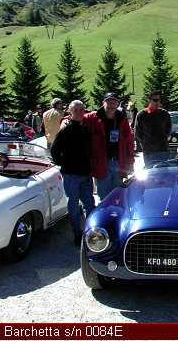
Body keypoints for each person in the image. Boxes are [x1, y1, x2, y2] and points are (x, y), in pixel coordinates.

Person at [50, 100, 95, 246]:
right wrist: (65, 165)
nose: (79, 113)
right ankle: (77, 233)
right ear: (70, 112)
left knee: (89, 203)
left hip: (85, 174)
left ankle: (91, 232)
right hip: (71, 175)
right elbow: (54, 152)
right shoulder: (65, 131)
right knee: (74, 206)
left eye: (81, 110)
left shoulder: (84, 128)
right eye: (75, 110)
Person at [85, 92, 135, 202]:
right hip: (102, 164)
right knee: (104, 199)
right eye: (109, 102)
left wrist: (130, 161)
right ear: (103, 103)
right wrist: (66, 120)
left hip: (119, 164)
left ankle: (114, 217)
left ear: (118, 105)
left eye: (114, 102)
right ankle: (104, 218)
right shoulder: (93, 118)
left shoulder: (122, 119)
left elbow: (129, 142)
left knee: (117, 197)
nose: (112, 105)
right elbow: (76, 116)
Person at [134, 91, 172, 166]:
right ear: (149, 100)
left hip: (163, 150)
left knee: (163, 172)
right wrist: (145, 143)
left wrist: (163, 140)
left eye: (158, 100)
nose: (157, 102)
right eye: (155, 100)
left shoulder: (164, 114)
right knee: (150, 172)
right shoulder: (142, 114)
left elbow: (168, 130)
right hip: (149, 152)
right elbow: (137, 133)